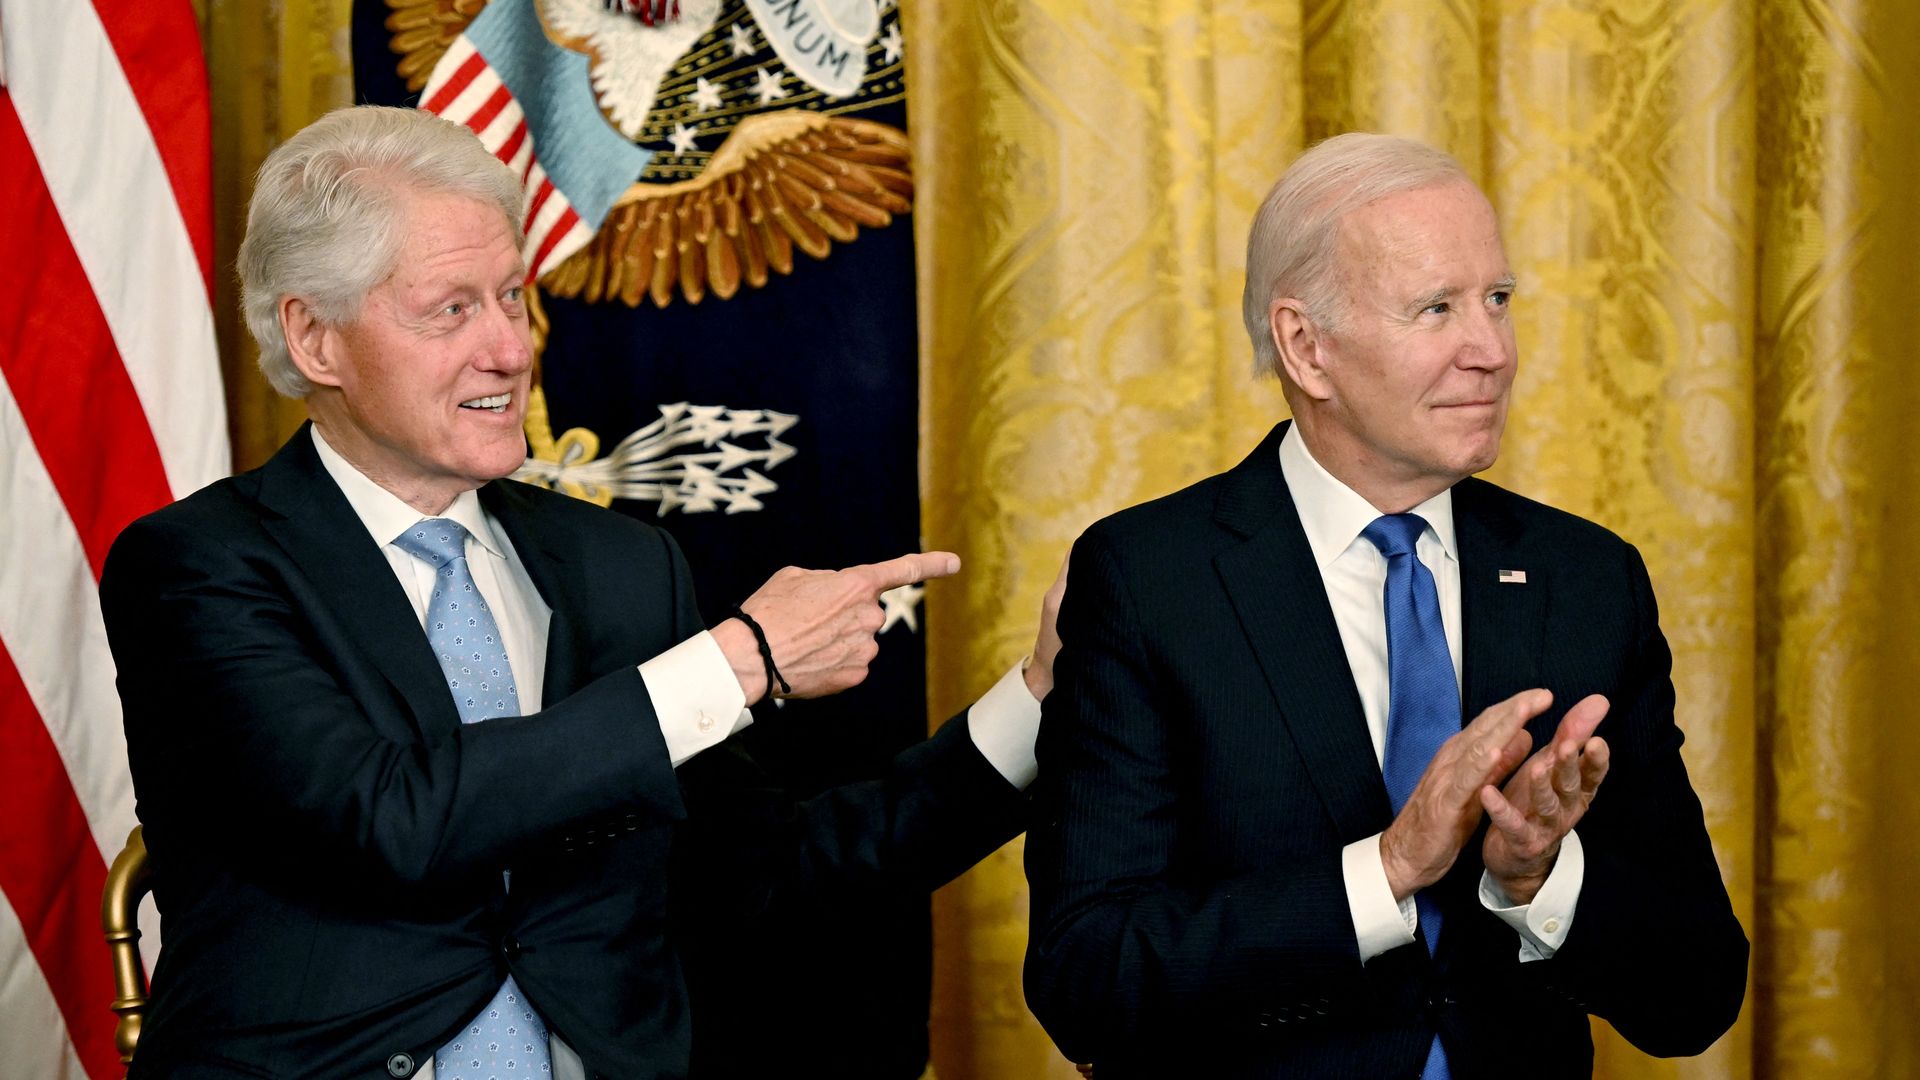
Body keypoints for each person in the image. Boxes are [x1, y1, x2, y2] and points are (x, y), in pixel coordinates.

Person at [99, 105, 1046, 1080]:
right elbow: (386, 819)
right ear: (315, 339)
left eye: (511, 296)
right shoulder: (198, 567)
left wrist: (1034, 709)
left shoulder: (621, 566)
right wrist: (736, 663)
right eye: (450, 309)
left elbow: (764, 875)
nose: (510, 349)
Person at [1022, 133, 1748, 1078]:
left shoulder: (1586, 579)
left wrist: (1537, 878)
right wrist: (1389, 868)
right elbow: (1088, 978)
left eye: (1497, 300)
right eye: (1435, 308)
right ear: (1306, 346)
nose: (1490, 351)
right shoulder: (1149, 580)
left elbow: (1697, 995)